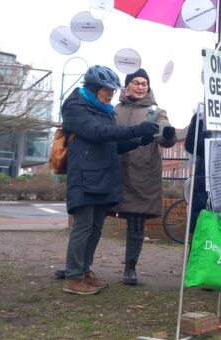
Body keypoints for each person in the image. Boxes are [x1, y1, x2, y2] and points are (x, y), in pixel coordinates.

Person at [61, 65, 159, 295]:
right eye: (106, 89)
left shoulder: (104, 110)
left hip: (102, 175)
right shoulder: (76, 107)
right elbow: (98, 133)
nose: (111, 94)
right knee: (83, 227)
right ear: (94, 87)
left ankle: (84, 271)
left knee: (95, 228)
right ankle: (73, 277)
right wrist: (136, 129)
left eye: (113, 90)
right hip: (85, 176)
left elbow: (112, 144)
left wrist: (139, 140)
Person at [110, 68, 178, 286]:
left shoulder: (156, 111)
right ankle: (82, 265)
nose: (140, 87)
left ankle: (130, 266)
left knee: (136, 221)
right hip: (114, 170)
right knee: (94, 216)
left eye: (144, 83)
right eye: (136, 83)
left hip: (142, 172)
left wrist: (168, 134)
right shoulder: (115, 110)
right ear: (127, 85)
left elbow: (165, 133)